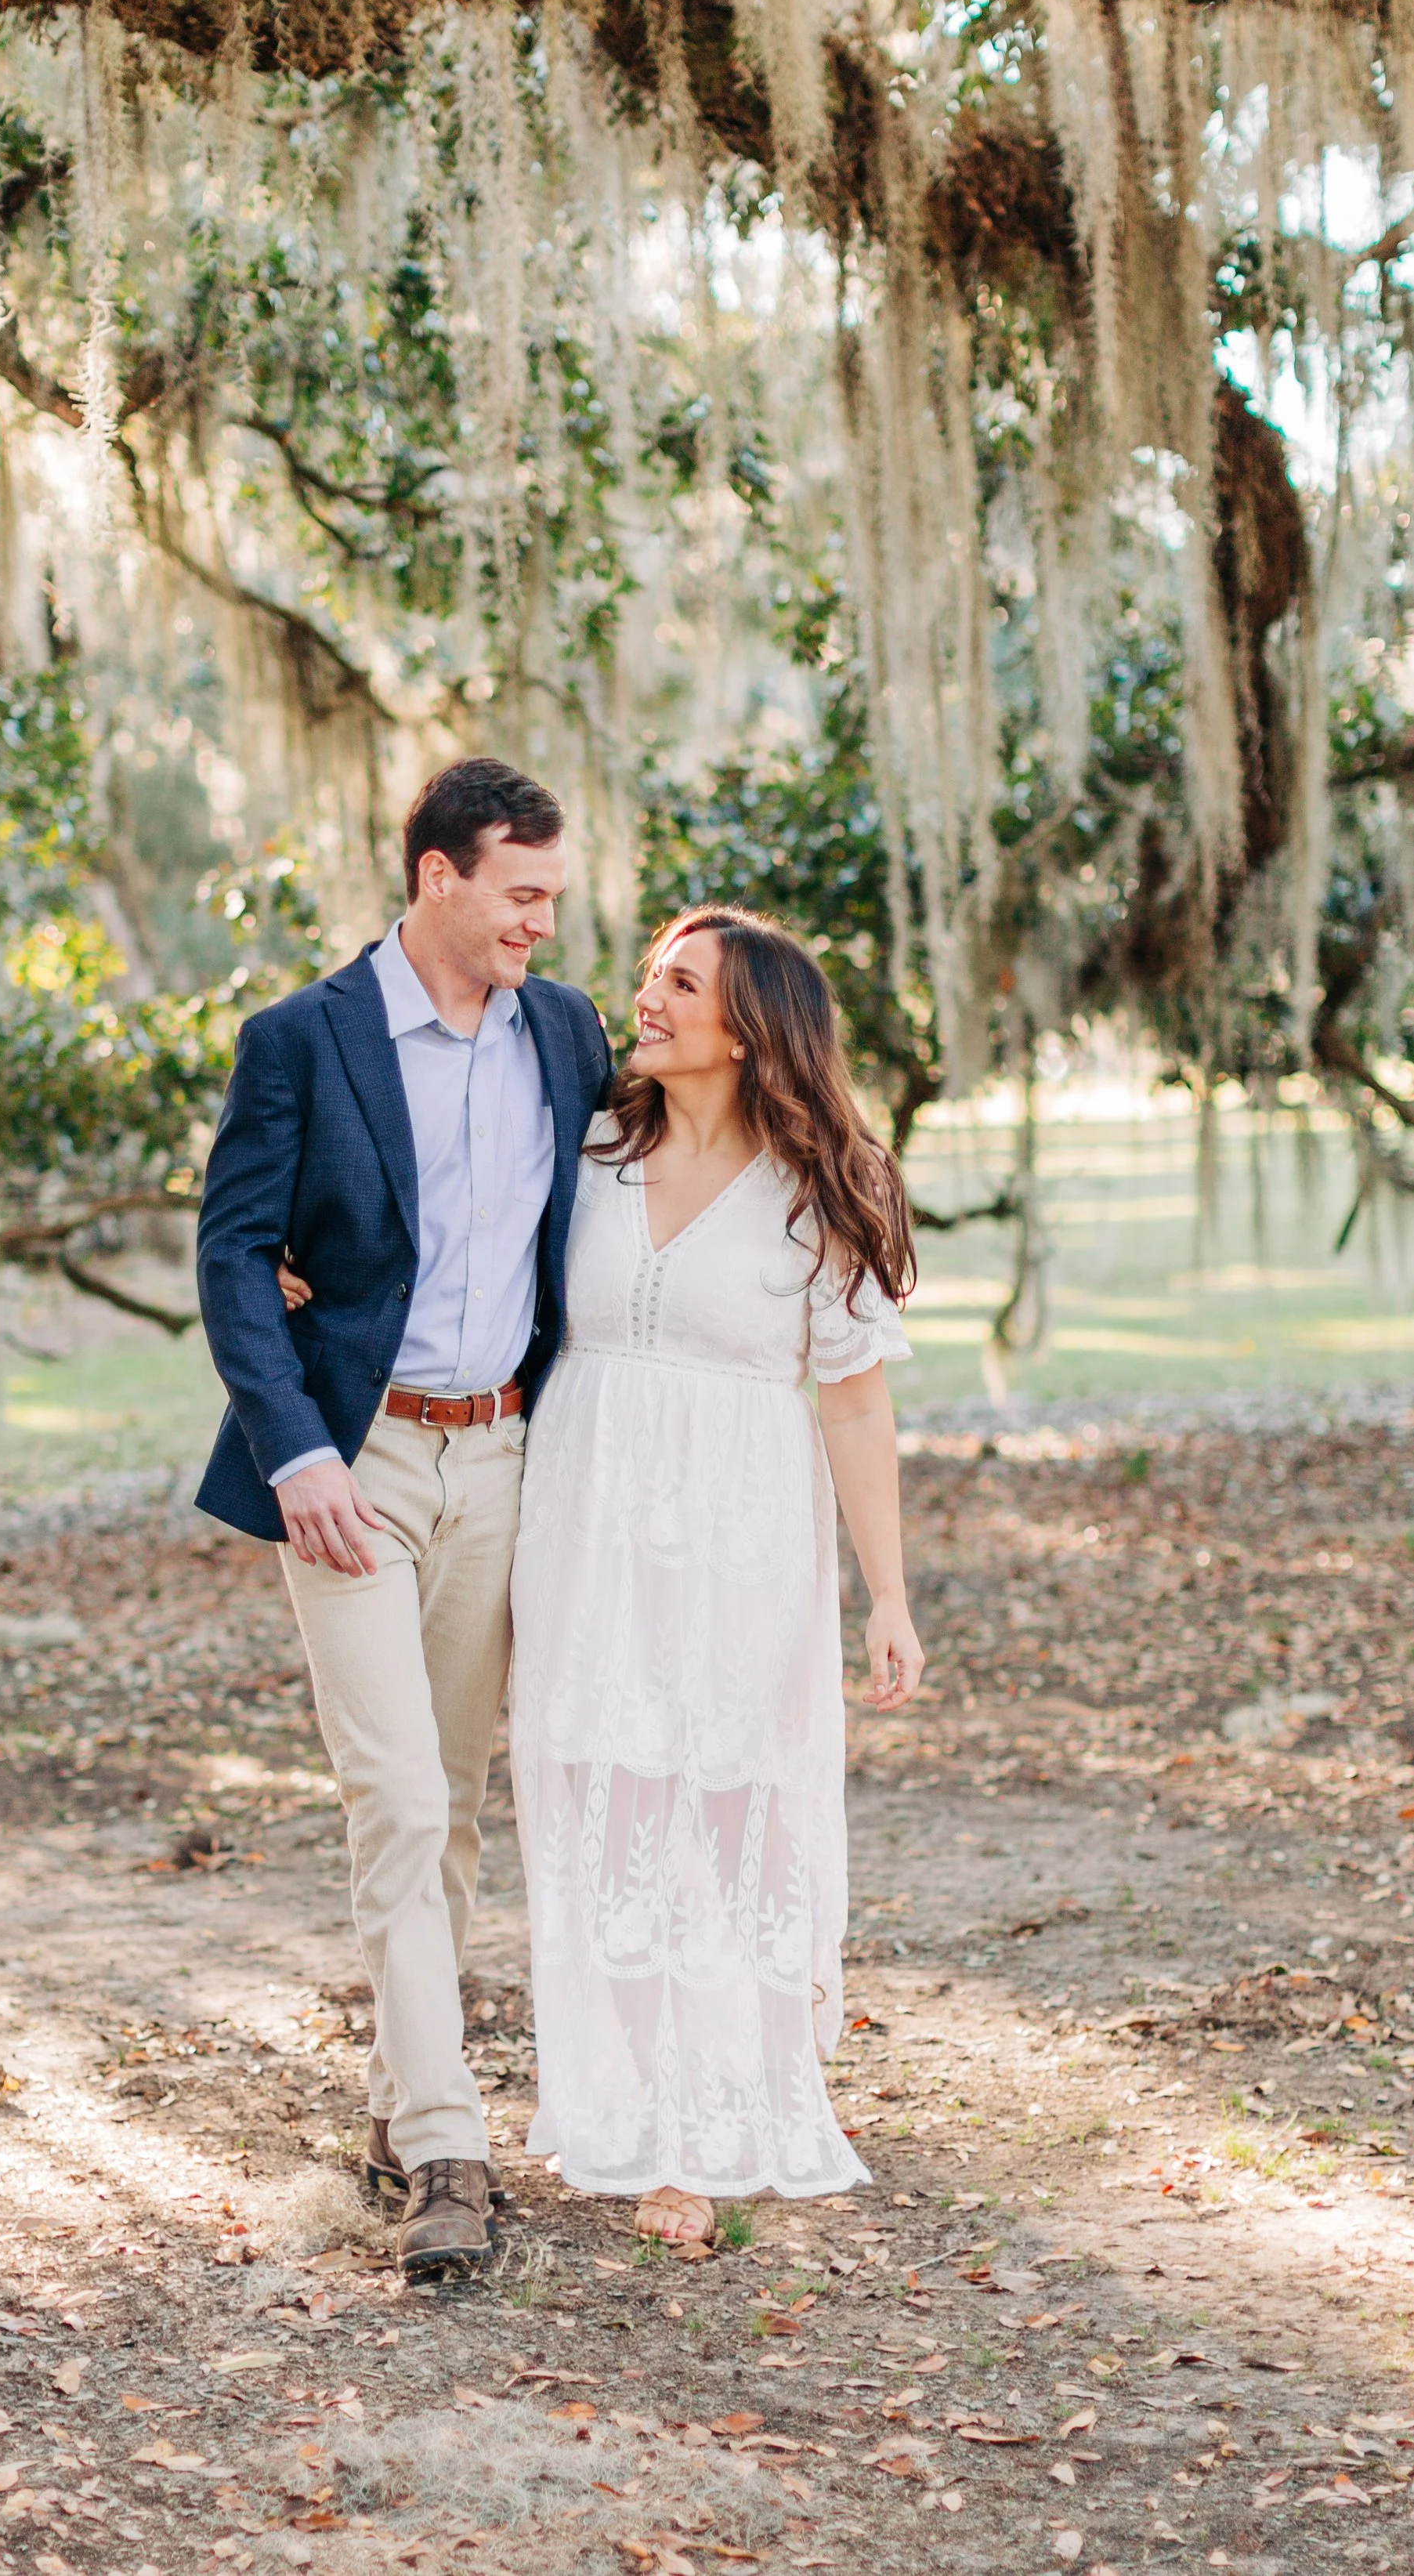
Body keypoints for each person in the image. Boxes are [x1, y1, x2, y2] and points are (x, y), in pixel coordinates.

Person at [193, 758, 613, 2279]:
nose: (539, 925)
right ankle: (447, 2151)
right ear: (438, 875)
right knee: (397, 1799)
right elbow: (233, 1252)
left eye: (550, 899)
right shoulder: (301, 1040)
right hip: (353, 1471)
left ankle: (393, 2102)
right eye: (520, 895)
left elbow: (635, 1191)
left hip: (504, 1458)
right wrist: (294, 1449)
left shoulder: (564, 1033)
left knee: (453, 1801)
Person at [508, 906, 925, 2245]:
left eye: (681, 984)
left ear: (747, 1032)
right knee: (608, 1813)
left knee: (739, 1815)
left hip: (741, 1539)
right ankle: (652, 2120)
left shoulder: (818, 1191)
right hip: (586, 1532)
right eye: (652, 976)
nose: (648, 998)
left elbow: (854, 1403)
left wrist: (888, 1595)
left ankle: (744, 2096)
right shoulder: (589, 1150)